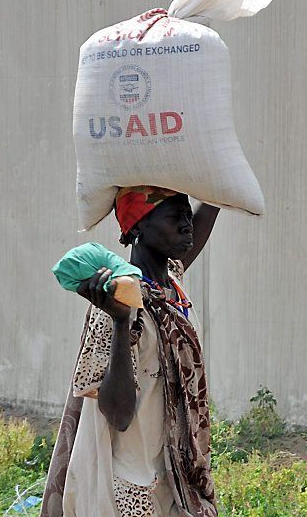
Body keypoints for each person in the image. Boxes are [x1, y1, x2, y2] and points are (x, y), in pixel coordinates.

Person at [41, 186, 220, 517]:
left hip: (175, 478)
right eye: (174, 216)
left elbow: (208, 211)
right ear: (138, 226)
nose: (187, 225)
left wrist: (217, 178)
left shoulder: (170, 285)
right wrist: (122, 323)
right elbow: (118, 414)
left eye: (186, 214)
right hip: (133, 488)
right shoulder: (118, 304)